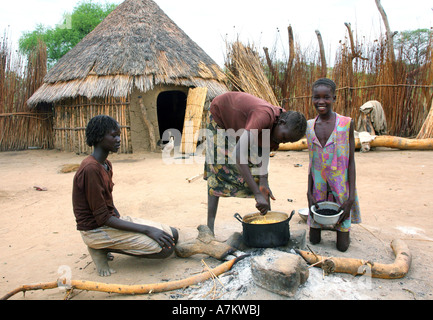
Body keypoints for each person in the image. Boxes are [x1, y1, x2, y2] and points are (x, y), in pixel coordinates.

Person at [72, 115, 178, 277]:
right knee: (165, 249)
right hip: (95, 229)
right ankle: (100, 247)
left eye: (119, 135)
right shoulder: (90, 169)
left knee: (173, 234)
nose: (118, 139)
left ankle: (108, 243)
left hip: (109, 222)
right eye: (113, 135)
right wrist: (147, 230)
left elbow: (108, 200)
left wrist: (123, 222)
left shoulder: (106, 164)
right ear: (99, 137)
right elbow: (103, 219)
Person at [204, 91, 307, 233]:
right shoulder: (263, 116)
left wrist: (264, 182)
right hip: (221, 116)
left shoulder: (281, 122)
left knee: (259, 179)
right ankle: (209, 230)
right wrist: (257, 194)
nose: (282, 142)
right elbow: (239, 155)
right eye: (283, 137)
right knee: (217, 173)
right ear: (281, 123)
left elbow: (264, 147)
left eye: (287, 141)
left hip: (241, 126)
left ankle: (269, 227)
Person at [306, 78, 361, 252]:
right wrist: (309, 192)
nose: (321, 101)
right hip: (318, 189)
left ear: (334, 98)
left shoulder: (346, 123)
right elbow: (311, 163)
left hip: (341, 189)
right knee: (314, 241)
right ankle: (319, 224)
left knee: (342, 247)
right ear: (312, 99)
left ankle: (343, 231)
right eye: (316, 97)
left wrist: (351, 197)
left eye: (326, 97)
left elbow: (351, 162)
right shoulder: (309, 126)